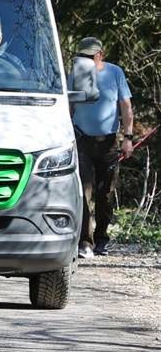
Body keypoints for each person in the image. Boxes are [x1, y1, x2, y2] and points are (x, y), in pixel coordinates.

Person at [71, 36, 134, 258]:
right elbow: (68, 105)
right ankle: (85, 242)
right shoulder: (75, 74)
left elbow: (126, 106)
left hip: (109, 141)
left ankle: (101, 239)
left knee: (105, 194)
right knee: (83, 193)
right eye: (82, 56)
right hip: (82, 140)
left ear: (101, 55)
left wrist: (128, 137)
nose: (86, 60)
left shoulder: (114, 73)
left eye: (90, 56)